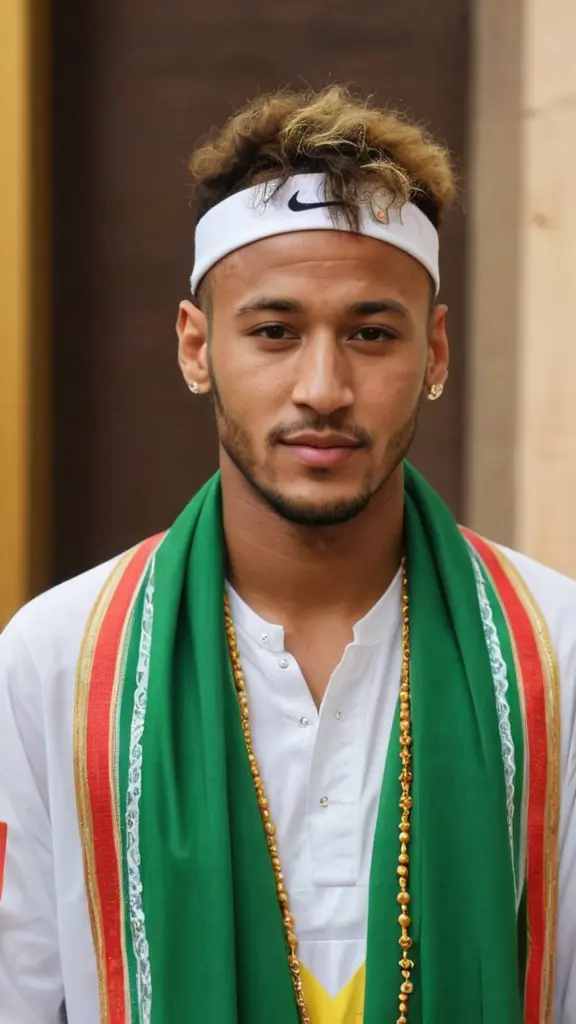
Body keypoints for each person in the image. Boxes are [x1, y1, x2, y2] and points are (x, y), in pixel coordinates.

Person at [0, 85, 574, 1024]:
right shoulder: (57, 658)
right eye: (274, 332)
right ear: (196, 348)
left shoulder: (553, 652)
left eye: (371, 334)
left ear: (434, 353)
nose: (323, 387)